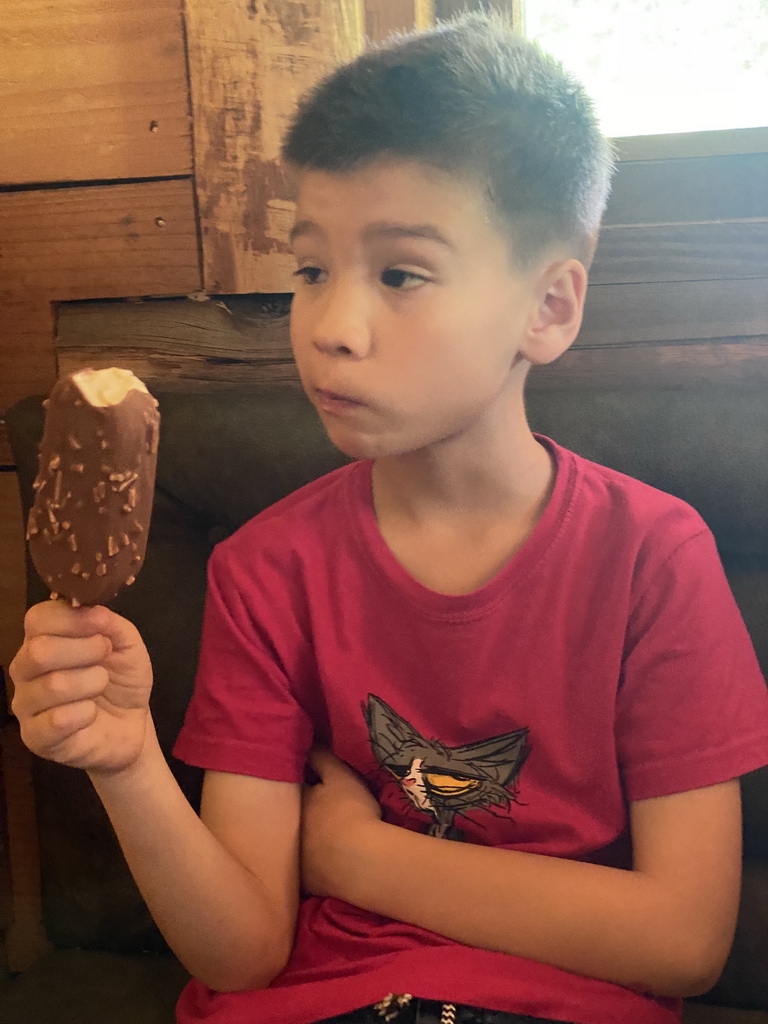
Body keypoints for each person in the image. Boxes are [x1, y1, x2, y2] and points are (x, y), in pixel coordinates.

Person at [9, 13, 768, 1024]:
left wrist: (362, 856)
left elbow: (682, 942)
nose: (331, 328)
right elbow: (238, 954)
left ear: (549, 308)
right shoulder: (265, 569)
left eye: (400, 273)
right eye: (311, 269)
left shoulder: (652, 557)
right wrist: (126, 757)